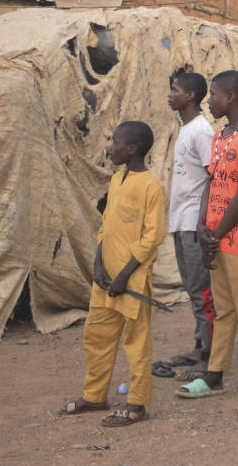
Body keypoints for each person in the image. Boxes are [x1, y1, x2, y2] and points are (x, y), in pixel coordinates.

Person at [177, 70, 238, 411]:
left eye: (213, 95)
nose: (209, 101)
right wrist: (203, 225)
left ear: (230, 97)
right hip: (215, 238)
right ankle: (215, 375)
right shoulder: (220, 137)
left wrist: (214, 236)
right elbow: (212, 183)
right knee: (223, 311)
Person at [60, 121, 167, 426]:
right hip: (106, 279)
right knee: (97, 336)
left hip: (131, 281)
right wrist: (98, 264)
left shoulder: (151, 186)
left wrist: (124, 276)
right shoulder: (118, 179)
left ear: (131, 149)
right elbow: (105, 226)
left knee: (136, 342)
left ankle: (136, 404)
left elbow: (152, 237)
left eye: (114, 142)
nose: (109, 147)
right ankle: (94, 396)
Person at [164, 72, 216, 381]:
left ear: (191, 96)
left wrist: (203, 221)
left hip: (195, 224)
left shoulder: (201, 131)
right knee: (194, 290)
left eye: (176, 90)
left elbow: (214, 177)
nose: (171, 95)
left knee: (203, 291)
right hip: (181, 221)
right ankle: (200, 347)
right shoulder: (186, 130)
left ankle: (209, 358)